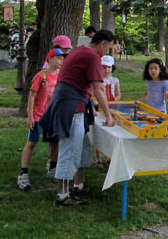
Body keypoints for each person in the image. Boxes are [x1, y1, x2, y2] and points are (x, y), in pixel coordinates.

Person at [38, 30, 116, 207]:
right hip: (70, 108)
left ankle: (77, 185)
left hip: (74, 104)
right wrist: (109, 116)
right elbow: (98, 88)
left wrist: (88, 104)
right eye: (108, 49)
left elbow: (79, 82)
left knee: (82, 146)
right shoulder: (92, 56)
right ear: (102, 43)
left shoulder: (81, 50)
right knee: (70, 149)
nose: (107, 53)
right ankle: (62, 196)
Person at [17, 49, 66, 191]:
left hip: (51, 117)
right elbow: (32, 96)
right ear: (50, 59)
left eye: (62, 58)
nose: (61, 61)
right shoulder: (40, 76)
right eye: (58, 58)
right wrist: (30, 115)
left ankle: (53, 166)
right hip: (38, 116)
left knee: (54, 142)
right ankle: (23, 173)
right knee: (32, 142)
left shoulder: (59, 77)